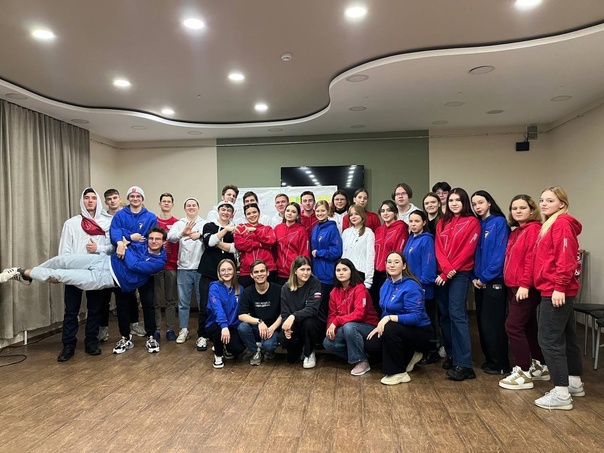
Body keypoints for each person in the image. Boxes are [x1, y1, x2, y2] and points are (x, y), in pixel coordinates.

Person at [1, 228, 167, 356]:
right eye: (151, 238)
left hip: (104, 278)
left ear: (163, 242)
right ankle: (29, 274)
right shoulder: (140, 245)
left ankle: (21, 272)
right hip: (102, 260)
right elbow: (118, 233)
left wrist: (125, 247)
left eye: (157, 239)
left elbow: (133, 265)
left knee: (61, 275)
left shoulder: (159, 262)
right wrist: (123, 243)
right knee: (62, 260)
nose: (153, 241)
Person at [533, 186, 584, 410]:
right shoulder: (552, 224)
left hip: (556, 289)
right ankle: (574, 383)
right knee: (566, 336)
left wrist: (560, 286)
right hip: (555, 288)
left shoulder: (561, 223)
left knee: (549, 339)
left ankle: (562, 394)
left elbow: (566, 257)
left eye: (550, 200)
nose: (544, 204)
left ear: (561, 204)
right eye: (542, 200)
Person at [54, 188, 112, 362]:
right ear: (82, 201)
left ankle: (91, 342)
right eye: (87, 198)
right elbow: (64, 250)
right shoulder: (71, 223)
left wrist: (98, 248)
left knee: (95, 309)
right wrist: (62, 272)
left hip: (96, 271)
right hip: (74, 271)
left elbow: (112, 247)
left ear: (98, 201)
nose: (90, 201)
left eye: (93, 198)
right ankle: (68, 345)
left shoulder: (106, 224)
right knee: (71, 310)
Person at [499, 194, 548, 390]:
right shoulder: (516, 232)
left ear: (532, 210)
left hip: (525, 288)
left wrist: (525, 285)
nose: (518, 211)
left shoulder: (534, 230)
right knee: (528, 327)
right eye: (514, 208)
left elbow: (531, 260)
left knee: (513, 326)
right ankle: (540, 365)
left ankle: (523, 372)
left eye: (522, 207)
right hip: (513, 286)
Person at [365, 252, 433, 385]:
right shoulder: (386, 284)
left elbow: (415, 317)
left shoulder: (412, 286)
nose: (392, 265)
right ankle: (409, 356)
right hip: (399, 328)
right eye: (389, 262)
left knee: (390, 328)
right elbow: (385, 310)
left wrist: (389, 318)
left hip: (420, 331)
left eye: (396, 262)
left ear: (404, 266)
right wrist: (380, 325)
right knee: (371, 344)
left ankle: (398, 373)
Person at [434, 188, 480, 381]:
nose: (453, 203)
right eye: (451, 200)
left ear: (464, 202)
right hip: (443, 273)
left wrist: (451, 270)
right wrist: (445, 270)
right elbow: (438, 248)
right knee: (445, 315)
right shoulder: (442, 222)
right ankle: (453, 355)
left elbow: (468, 250)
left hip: (459, 274)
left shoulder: (472, 222)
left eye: (458, 200)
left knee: (457, 314)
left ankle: (465, 364)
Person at [109, 186, 160, 354]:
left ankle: (151, 335)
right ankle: (125, 337)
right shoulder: (120, 215)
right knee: (123, 304)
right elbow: (115, 233)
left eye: (138, 196)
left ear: (142, 199)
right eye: (132, 196)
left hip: (143, 264)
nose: (135, 198)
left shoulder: (150, 217)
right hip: (122, 265)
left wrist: (126, 238)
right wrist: (125, 239)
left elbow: (152, 239)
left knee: (148, 303)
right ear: (128, 198)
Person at [471, 190, 511, 375]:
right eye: (474, 204)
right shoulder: (478, 224)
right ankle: (490, 360)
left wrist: (484, 277)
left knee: (493, 323)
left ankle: (501, 364)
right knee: (482, 323)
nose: (477, 207)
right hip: (479, 281)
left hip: (494, 280)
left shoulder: (499, 222)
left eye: (480, 202)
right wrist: (474, 278)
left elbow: (499, 255)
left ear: (489, 202)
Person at [98, 188, 145, 341]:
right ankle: (103, 328)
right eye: (109, 199)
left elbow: (135, 236)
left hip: (124, 263)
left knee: (128, 296)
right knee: (103, 298)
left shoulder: (127, 215)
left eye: (115, 198)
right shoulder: (100, 218)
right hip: (106, 261)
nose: (112, 201)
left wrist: (125, 239)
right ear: (106, 202)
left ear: (120, 199)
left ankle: (134, 324)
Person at [323, 259, 378, 376]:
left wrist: (337, 321)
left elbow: (359, 314)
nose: (341, 273)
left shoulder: (360, 288)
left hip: (368, 326)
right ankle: (362, 357)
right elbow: (332, 314)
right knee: (328, 343)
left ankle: (361, 361)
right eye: (338, 270)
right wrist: (330, 328)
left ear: (351, 271)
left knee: (349, 327)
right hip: (347, 326)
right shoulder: (334, 292)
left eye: (344, 269)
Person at [196, 200, 237, 352]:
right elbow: (209, 242)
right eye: (223, 209)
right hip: (208, 272)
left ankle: (221, 335)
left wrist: (215, 241)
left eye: (229, 210)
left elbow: (234, 248)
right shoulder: (209, 226)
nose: (226, 212)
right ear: (218, 211)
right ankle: (202, 335)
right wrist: (225, 231)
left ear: (232, 213)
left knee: (226, 305)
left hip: (227, 275)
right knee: (204, 305)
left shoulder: (235, 229)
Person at [167, 197, 205, 345]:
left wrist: (198, 235)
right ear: (184, 208)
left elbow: (210, 239)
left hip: (200, 269)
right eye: (188, 205)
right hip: (183, 268)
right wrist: (182, 233)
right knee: (183, 302)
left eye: (194, 205)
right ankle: (184, 329)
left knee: (203, 302)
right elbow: (170, 237)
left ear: (198, 207)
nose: (191, 207)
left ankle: (203, 332)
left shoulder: (204, 223)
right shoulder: (179, 224)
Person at [403, 210, 439, 364]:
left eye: (417, 221)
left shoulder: (427, 240)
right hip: (411, 287)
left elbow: (428, 266)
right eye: (411, 221)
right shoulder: (411, 238)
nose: (413, 224)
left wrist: (421, 285)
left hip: (423, 288)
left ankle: (431, 351)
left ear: (424, 222)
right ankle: (419, 350)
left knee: (427, 320)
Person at [280, 256, 325, 368]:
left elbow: (312, 309)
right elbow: (285, 313)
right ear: (295, 271)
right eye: (302, 269)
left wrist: (293, 316)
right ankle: (299, 348)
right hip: (296, 324)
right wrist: (287, 327)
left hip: (314, 322)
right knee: (290, 355)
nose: (306, 273)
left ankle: (309, 352)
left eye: (308, 269)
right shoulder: (286, 288)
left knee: (308, 323)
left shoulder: (315, 283)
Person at [238, 260, 283, 366]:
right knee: (242, 327)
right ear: (251, 275)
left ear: (268, 272)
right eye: (256, 272)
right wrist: (259, 322)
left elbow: (284, 313)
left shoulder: (278, 289)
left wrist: (272, 328)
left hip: (273, 327)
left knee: (268, 345)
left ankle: (268, 350)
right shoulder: (248, 291)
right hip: (257, 327)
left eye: (262, 271)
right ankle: (255, 351)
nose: (259, 274)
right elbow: (241, 315)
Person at [206, 259, 246, 369]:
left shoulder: (240, 289)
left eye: (229, 269)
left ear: (234, 271)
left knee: (238, 348)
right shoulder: (214, 287)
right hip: (216, 324)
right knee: (218, 329)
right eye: (223, 270)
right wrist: (224, 326)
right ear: (219, 272)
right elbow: (217, 309)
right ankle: (218, 355)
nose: (226, 272)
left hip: (233, 325)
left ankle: (227, 347)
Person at [370, 200, 409, 314]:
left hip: (390, 273)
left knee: (388, 304)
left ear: (395, 212)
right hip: (376, 272)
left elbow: (399, 251)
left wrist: (393, 270)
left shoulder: (401, 227)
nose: (385, 213)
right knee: (376, 303)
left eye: (389, 210)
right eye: (383, 211)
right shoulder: (378, 230)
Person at [310, 200, 343, 319]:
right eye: (318, 211)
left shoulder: (332, 228)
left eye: (323, 210)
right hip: (316, 273)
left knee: (326, 306)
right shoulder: (315, 228)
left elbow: (337, 251)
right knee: (317, 306)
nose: (320, 213)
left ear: (328, 211)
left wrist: (320, 253)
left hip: (327, 273)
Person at [154, 192, 179, 341]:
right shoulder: (154, 221)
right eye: (164, 201)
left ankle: (170, 329)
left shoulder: (177, 223)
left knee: (170, 299)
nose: (166, 203)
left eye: (169, 201)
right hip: (156, 265)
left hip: (171, 265)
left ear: (172, 204)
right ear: (160, 204)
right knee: (156, 300)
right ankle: (156, 329)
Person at [233, 203, 277, 288]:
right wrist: (259, 244)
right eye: (248, 213)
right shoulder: (241, 228)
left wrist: (255, 230)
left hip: (268, 268)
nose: (252, 215)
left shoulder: (267, 229)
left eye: (254, 212)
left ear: (259, 213)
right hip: (247, 270)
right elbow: (239, 245)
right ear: (245, 216)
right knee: (247, 294)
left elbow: (271, 241)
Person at [274, 202, 309, 285]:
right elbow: (274, 250)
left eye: (293, 212)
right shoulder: (277, 228)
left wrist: (301, 270)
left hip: (295, 272)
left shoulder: (301, 230)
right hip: (279, 273)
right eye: (288, 211)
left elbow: (304, 253)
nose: (289, 213)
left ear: (297, 216)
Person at [341, 204, 375, 289]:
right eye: (351, 215)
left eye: (356, 214)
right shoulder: (346, 232)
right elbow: (343, 255)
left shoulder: (368, 233)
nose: (353, 217)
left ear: (362, 215)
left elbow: (370, 256)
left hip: (360, 273)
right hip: (346, 273)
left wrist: (368, 279)